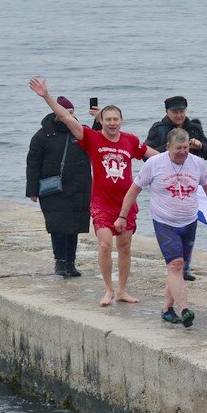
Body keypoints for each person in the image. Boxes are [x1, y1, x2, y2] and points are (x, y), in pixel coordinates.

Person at [29, 79, 157, 306]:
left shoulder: (130, 140)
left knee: (125, 247)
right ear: (101, 121)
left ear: (122, 120)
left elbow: (152, 155)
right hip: (101, 203)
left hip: (126, 204)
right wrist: (47, 96)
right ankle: (108, 289)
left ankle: (122, 291)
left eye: (116, 119)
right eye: (108, 119)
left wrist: (182, 161)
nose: (112, 123)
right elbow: (67, 118)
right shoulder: (92, 138)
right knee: (105, 244)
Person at [117, 127, 207, 328]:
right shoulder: (155, 164)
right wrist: (123, 215)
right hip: (164, 222)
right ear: (168, 147)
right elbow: (134, 190)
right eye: (178, 149)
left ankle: (167, 309)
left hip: (189, 221)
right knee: (175, 265)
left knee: (177, 267)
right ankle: (184, 309)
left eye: (185, 147)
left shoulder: (197, 163)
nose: (182, 152)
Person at [146, 95, 207, 282]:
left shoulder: (193, 127)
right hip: (166, 182)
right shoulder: (159, 129)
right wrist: (171, 149)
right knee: (170, 227)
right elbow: (146, 154)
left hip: (190, 180)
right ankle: (175, 266)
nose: (179, 115)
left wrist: (199, 145)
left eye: (182, 111)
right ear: (167, 112)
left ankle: (186, 268)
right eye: (174, 112)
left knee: (189, 224)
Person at [25, 95, 92, 277]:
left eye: (71, 113)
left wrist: (99, 119)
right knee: (58, 227)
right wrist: (32, 190)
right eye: (65, 112)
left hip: (79, 187)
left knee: (75, 227)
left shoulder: (80, 132)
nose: (68, 116)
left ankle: (71, 263)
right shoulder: (42, 135)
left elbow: (98, 141)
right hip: (53, 189)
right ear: (56, 112)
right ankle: (60, 262)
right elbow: (33, 163)